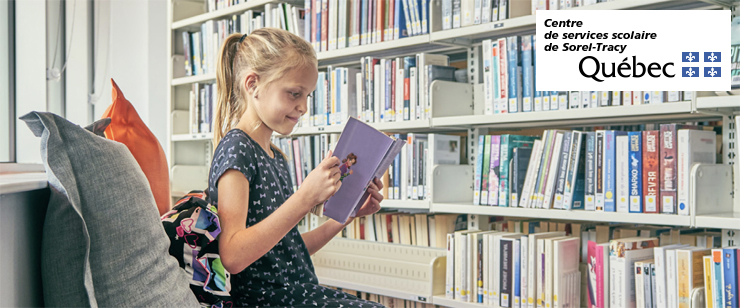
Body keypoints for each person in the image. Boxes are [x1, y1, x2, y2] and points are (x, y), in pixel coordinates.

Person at [205, 28, 385, 307]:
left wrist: (345, 217)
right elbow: (233, 256)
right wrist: (305, 197)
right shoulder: (237, 149)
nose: (302, 107)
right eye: (293, 93)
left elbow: (288, 252)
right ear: (252, 84)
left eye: (308, 96)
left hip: (298, 293)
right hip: (264, 301)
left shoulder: (277, 157)